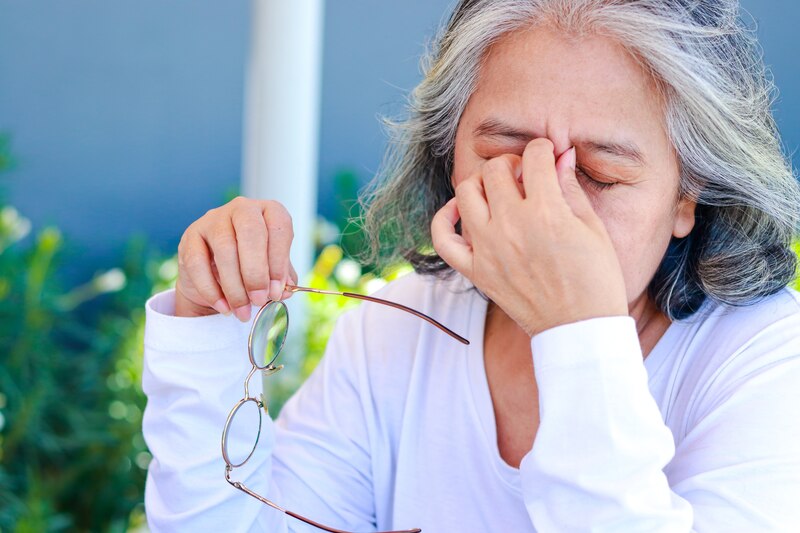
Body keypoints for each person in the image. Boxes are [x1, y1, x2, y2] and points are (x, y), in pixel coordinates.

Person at [142, 0, 800, 531]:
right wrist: (206, 330)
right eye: (503, 154)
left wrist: (575, 334)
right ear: (448, 154)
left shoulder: (766, 359)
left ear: (688, 196)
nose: (542, 207)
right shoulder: (401, 331)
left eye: (599, 174)